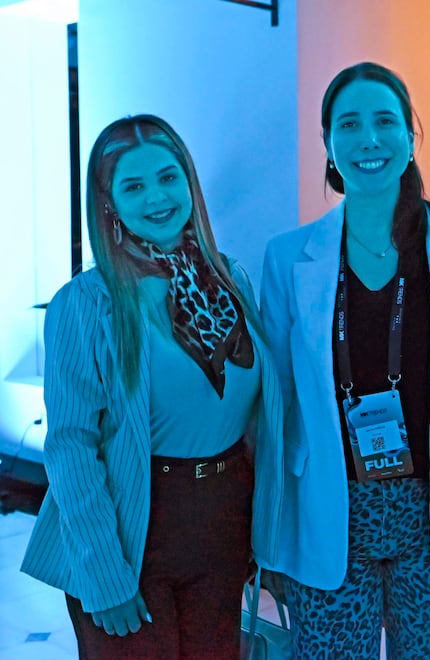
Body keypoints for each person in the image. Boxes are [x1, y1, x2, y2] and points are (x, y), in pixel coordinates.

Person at [21, 114, 283, 659]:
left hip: (222, 524)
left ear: (189, 181)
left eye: (168, 177)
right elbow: (71, 447)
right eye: (133, 185)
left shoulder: (230, 278)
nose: (157, 197)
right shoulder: (87, 302)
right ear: (109, 203)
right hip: (131, 531)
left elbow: (258, 416)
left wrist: (269, 533)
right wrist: (104, 575)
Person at [256, 62, 430, 658]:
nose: (369, 139)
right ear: (328, 143)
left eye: (386, 121)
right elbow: (275, 405)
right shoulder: (289, 258)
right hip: (331, 511)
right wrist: (271, 537)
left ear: (411, 136)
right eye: (350, 123)